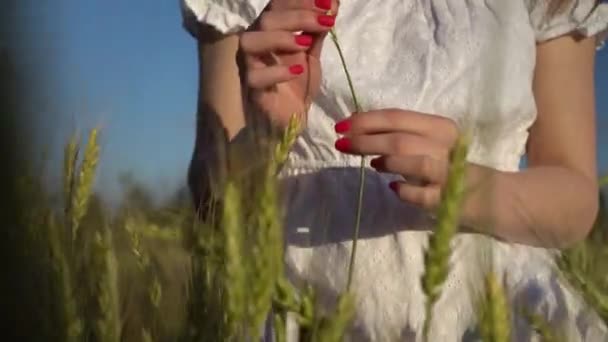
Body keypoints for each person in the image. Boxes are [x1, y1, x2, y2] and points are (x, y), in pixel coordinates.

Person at [181, 0, 608, 340]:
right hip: (296, 308)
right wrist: (266, 136)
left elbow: (574, 193)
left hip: (493, 312)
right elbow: (210, 201)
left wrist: (475, 187)